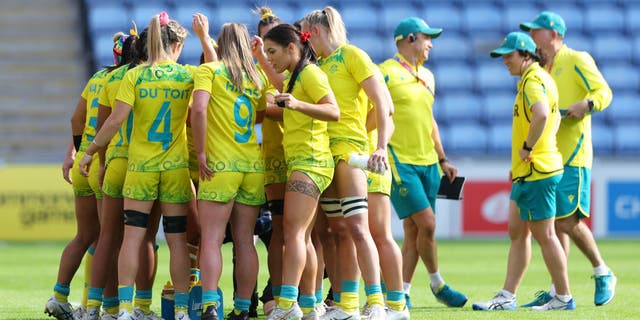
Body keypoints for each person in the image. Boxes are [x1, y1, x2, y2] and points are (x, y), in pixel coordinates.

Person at [79, 11, 195, 320]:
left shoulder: (135, 75)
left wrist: (90, 151)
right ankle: (182, 310)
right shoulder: (187, 76)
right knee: (176, 240)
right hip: (175, 168)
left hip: (141, 168)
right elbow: (200, 117)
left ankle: (127, 309)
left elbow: (115, 121)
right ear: (177, 44)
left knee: (131, 237)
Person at [472, 31, 575, 311]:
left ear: (526, 55)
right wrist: (518, 164)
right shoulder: (537, 78)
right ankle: (507, 296)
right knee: (518, 232)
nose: (504, 60)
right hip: (527, 170)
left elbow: (541, 113)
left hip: (537, 169)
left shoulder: (532, 80)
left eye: (509, 55)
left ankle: (563, 297)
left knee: (545, 235)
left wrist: (527, 148)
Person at [519, 11, 616, 307]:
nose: (532, 36)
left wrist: (587, 104)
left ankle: (603, 271)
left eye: (537, 31)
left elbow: (604, 91)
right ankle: (558, 290)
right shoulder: (540, 67)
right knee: (553, 223)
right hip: (550, 155)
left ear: (554, 34)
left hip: (574, 153)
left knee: (566, 222)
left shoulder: (577, 59)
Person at [302, 7, 391, 319]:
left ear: (315, 29)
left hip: (349, 151)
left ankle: (377, 302)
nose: (304, 40)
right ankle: (347, 305)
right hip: (323, 154)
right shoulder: (316, 65)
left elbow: (383, 102)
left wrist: (380, 146)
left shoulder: (351, 55)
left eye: (305, 33)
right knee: (338, 230)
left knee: (357, 226)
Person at [378, 17, 467, 309]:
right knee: (427, 223)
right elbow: (374, 114)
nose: (431, 44)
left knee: (415, 230)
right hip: (400, 161)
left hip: (429, 162)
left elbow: (430, 120)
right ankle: (437, 283)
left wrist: (443, 158)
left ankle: (401, 291)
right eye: (427, 38)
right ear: (410, 38)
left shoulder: (428, 76)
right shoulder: (385, 72)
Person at [191, 22, 271, 320]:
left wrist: (200, 152)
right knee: (244, 240)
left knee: (211, 238)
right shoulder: (256, 77)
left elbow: (198, 110)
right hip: (251, 164)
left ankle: (210, 305)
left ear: (220, 43)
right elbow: (261, 115)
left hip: (219, 165)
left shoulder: (208, 71)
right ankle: (242, 309)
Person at [262, 23, 340, 320]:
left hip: (310, 161)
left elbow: (334, 111)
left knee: (293, 234)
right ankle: (309, 304)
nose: (270, 58)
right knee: (303, 238)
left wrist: (297, 104)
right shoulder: (295, 77)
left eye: (273, 52)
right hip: (303, 161)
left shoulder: (310, 74)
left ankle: (288, 305)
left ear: (292, 48)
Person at [46, 30, 114, 320]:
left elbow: (78, 119)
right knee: (111, 239)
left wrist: (74, 153)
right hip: (104, 162)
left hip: (83, 160)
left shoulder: (97, 77)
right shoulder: (127, 79)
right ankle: (102, 307)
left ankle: (60, 297)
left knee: (86, 235)